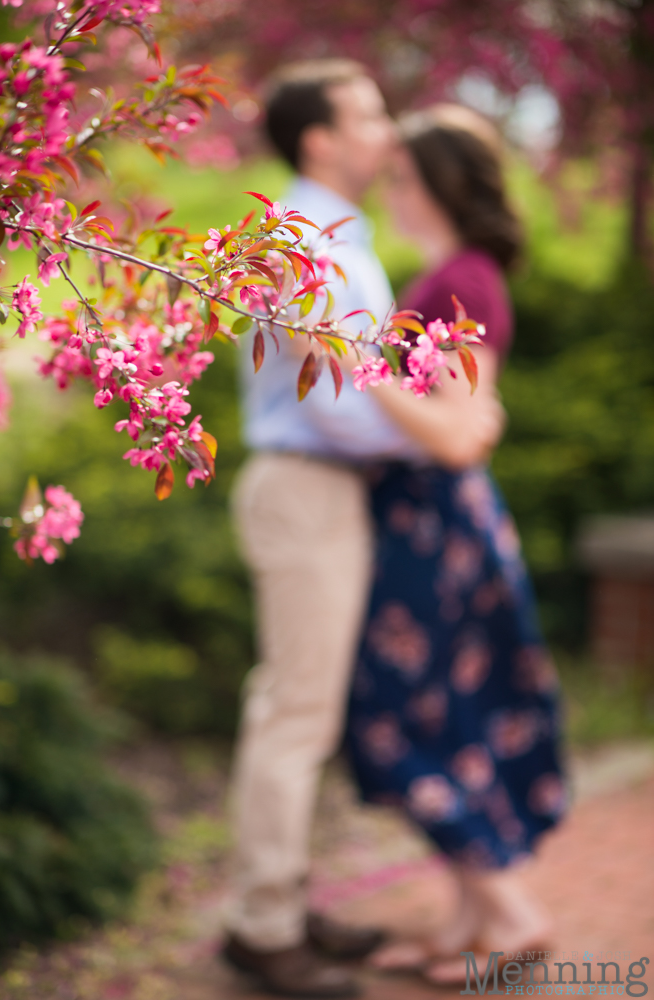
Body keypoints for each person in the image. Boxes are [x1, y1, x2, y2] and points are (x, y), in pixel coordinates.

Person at [222, 62, 505, 1000]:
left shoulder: (339, 235)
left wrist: (446, 420)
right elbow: (342, 403)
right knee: (294, 714)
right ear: (318, 139)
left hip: (328, 488)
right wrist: (447, 431)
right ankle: (262, 928)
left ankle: (281, 906)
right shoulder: (300, 237)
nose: (387, 131)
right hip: (307, 483)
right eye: (368, 115)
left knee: (302, 711)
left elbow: (358, 385)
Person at [343, 104, 567, 987]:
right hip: (434, 516)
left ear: (438, 181)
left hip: (435, 518)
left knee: (410, 714)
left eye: (401, 175)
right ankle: (469, 921)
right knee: (445, 709)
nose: (390, 190)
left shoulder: (461, 282)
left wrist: (353, 361)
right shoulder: (453, 275)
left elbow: (459, 430)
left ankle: (510, 913)